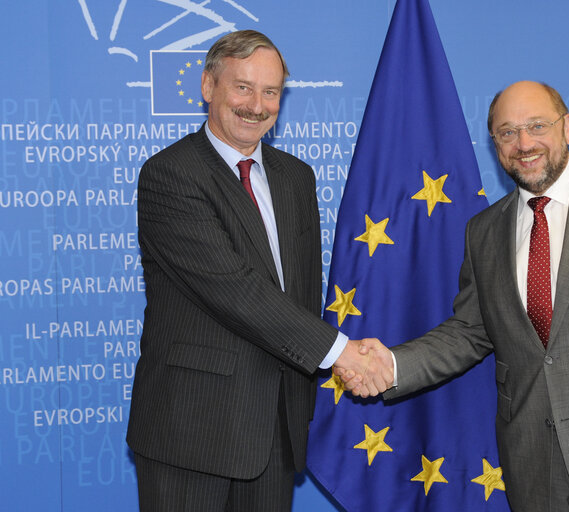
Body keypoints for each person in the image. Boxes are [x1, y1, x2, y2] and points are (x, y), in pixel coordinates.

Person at [339, 81, 569, 511]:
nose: (524, 143)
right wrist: (390, 365)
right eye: (507, 132)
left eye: (537, 125)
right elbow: (469, 332)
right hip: (535, 471)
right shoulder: (483, 231)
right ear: (495, 144)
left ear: (567, 128)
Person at [126, 30, 388, 512]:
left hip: (275, 427)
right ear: (208, 86)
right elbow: (234, 290)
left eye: (271, 92)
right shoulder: (171, 175)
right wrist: (341, 354)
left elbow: (300, 293)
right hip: (192, 430)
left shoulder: (296, 177)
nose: (257, 105)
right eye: (242, 87)